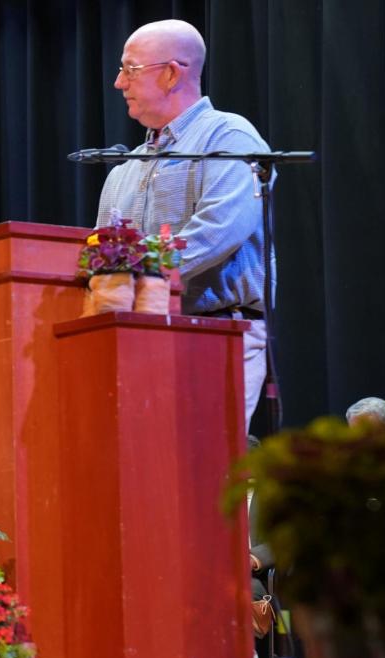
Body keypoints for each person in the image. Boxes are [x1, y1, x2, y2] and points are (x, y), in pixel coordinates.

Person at [96, 19, 272, 427]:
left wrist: (142, 279)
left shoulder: (230, 137)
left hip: (216, 334)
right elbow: (100, 255)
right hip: (139, 338)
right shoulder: (124, 169)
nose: (119, 83)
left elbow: (219, 229)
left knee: (200, 472)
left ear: (173, 72)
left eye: (130, 69)